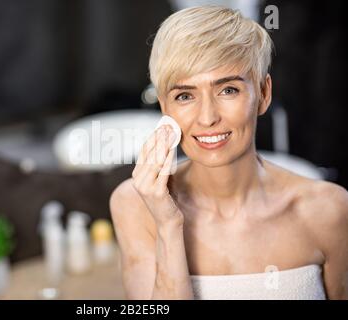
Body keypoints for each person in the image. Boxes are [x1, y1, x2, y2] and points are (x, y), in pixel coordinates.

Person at [109, 5, 348, 300]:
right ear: (164, 107)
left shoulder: (330, 210)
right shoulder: (134, 205)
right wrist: (169, 226)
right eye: (185, 96)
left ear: (263, 93)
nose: (207, 117)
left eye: (228, 90)